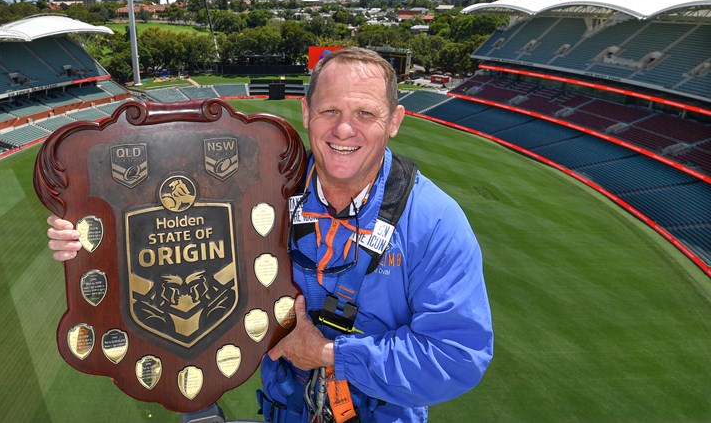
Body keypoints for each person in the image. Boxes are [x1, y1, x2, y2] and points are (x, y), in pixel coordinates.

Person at [47, 47, 493, 422]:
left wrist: (331, 354)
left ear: (394, 120)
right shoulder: (263, 192)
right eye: (330, 111)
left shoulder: (435, 222)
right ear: (306, 113)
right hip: (284, 409)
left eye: (365, 114)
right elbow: (170, 226)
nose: (343, 129)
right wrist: (93, 244)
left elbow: (457, 355)